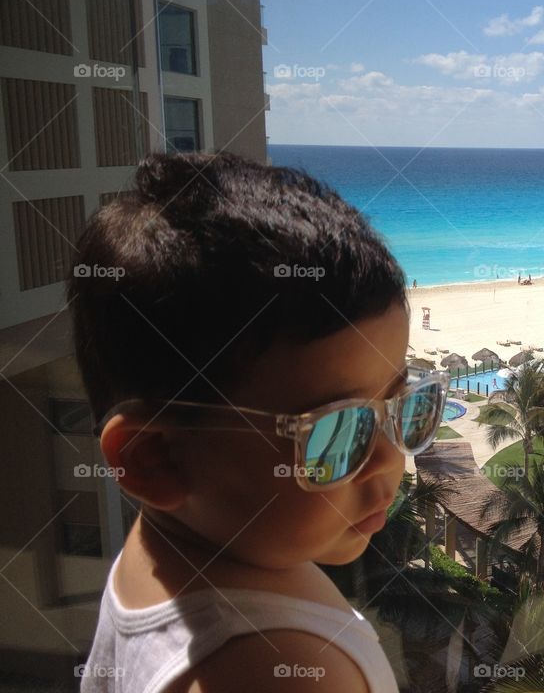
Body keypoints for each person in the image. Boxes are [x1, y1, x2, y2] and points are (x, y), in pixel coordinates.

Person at [72, 152, 444, 693]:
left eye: (406, 403)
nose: (391, 460)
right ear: (154, 460)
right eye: (337, 431)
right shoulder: (278, 672)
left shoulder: (162, 558)